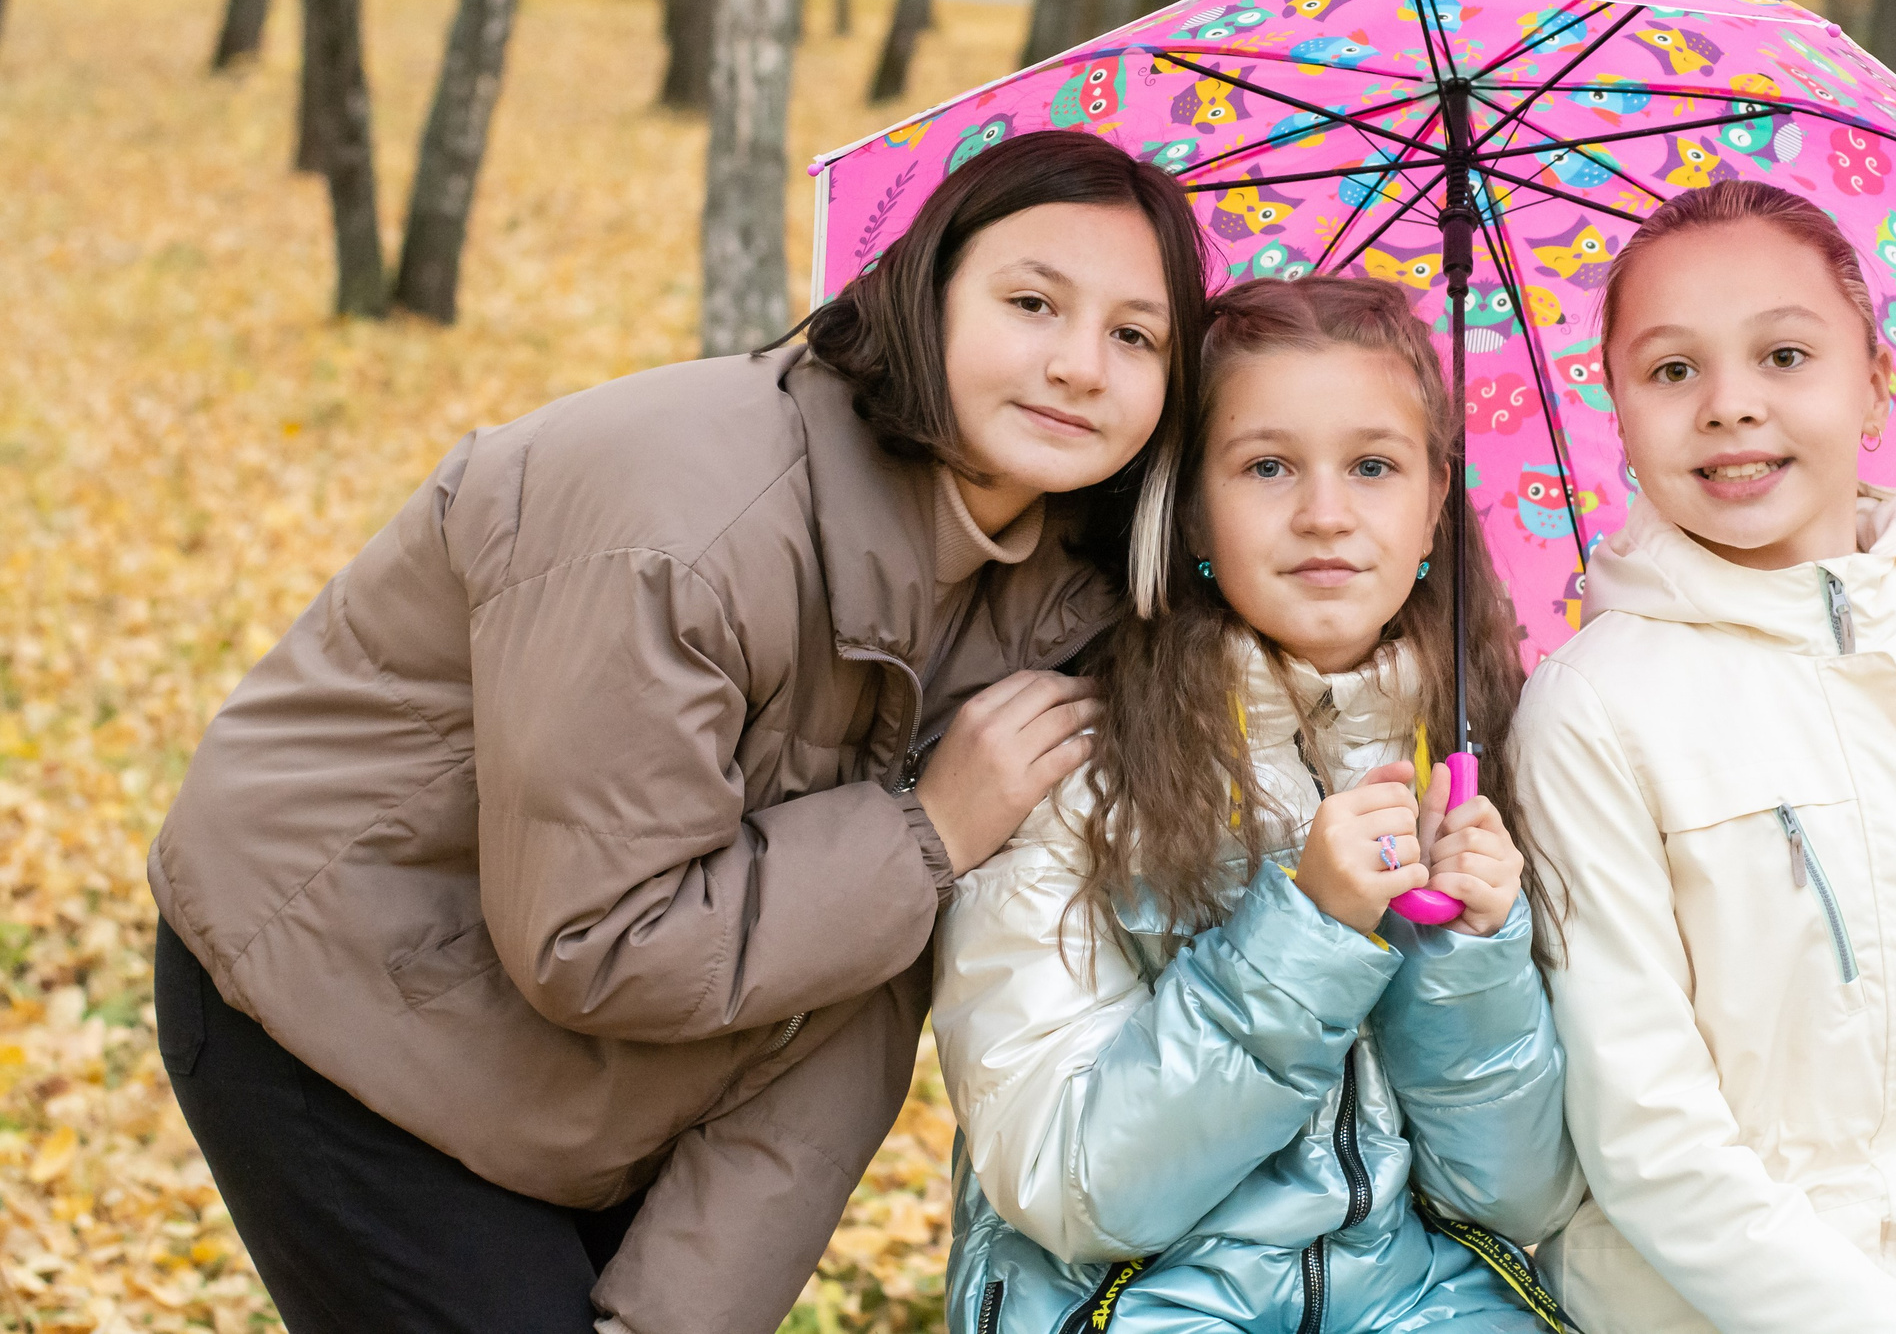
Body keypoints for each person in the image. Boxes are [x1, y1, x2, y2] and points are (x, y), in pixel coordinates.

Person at [147, 130, 1211, 1334]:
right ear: (926, 291)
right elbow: (597, 937)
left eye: (1136, 336)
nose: (1080, 365)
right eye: (1031, 302)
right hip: (336, 999)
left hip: (606, 1070)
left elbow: (845, 1000)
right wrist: (924, 832)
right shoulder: (680, 527)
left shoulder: (1049, 607)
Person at [1515, 180, 1896, 1334]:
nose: (1728, 406)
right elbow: (1648, 1132)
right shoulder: (1592, 709)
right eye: (1671, 371)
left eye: (1785, 355)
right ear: (1619, 409)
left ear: (1876, 383)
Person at [932, 275, 1584, 1334]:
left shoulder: (1501, 754)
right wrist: (1311, 933)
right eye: (1267, 466)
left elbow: (1519, 1197)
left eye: (1373, 466)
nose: (1324, 513)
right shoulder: (1073, 776)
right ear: (1191, 505)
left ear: (1433, 504)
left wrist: (1473, 955)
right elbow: (1073, 1181)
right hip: (1128, 1294)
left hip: (1427, 1294)